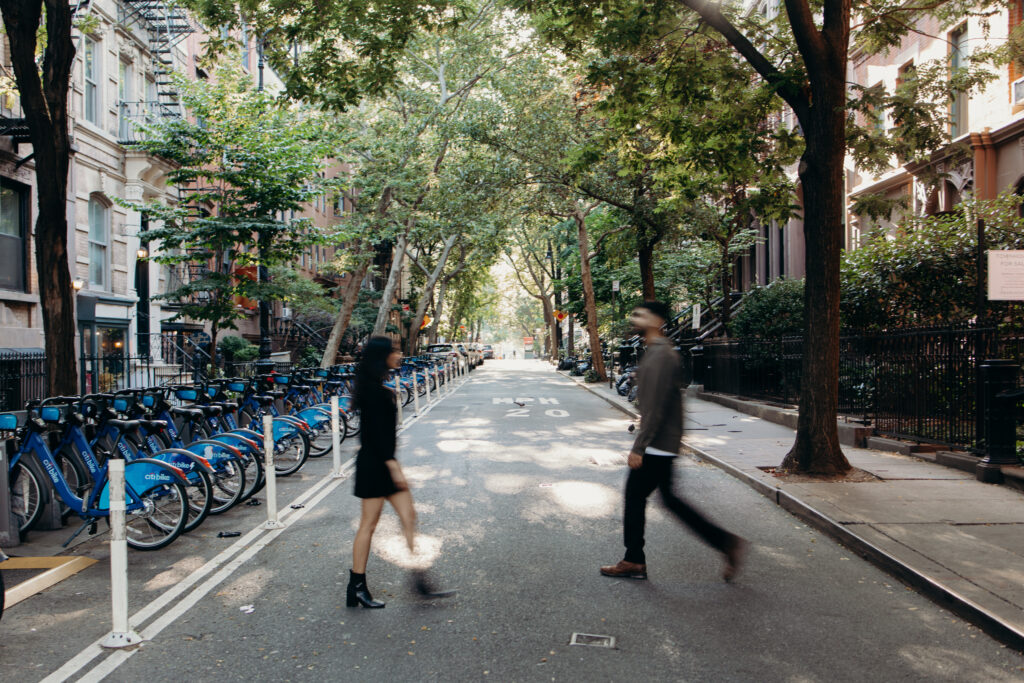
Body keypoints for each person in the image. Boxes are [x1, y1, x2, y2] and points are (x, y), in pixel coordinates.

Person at [601, 301, 747, 583]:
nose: (634, 318)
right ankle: (725, 543)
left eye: (640, 315)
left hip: (657, 442)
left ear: (656, 320)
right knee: (670, 500)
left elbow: (653, 409)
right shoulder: (659, 352)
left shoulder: (660, 356)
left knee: (635, 497)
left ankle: (634, 560)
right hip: (664, 440)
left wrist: (638, 447)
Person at [347, 336, 453, 608]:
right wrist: (394, 468)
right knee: (368, 526)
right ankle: (357, 586)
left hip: (381, 463)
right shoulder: (375, 393)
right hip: (376, 466)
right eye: (394, 351)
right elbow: (373, 438)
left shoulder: (378, 389)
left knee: (409, 516)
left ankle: (419, 578)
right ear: (381, 356)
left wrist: (392, 464)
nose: (400, 354)